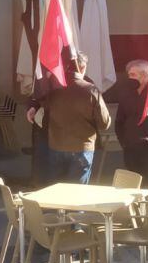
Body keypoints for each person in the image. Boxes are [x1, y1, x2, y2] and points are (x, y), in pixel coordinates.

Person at [27, 52, 111, 184]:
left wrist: (33, 106)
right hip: (82, 146)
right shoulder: (90, 89)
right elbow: (104, 123)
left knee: (57, 188)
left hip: (56, 145)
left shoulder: (52, 87)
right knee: (76, 191)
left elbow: (40, 101)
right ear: (83, 67)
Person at [114, 59, 148, 187]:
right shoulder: (127, 94)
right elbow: (119, 121)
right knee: (132, 185)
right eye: (129, 75)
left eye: (133, 75)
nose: (129, 78)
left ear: (144, 75)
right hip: (131, 147)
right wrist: (124, 142)